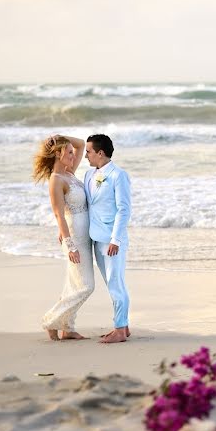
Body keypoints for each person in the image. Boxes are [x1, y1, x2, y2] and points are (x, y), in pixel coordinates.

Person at [34, 135, 93, 341]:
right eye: (67, 152)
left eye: (70, 152)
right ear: (58, 155)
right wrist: (70, 246)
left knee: (74, 283)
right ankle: (51, 320)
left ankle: (68, 328)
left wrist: (61, 138)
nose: (73, 155)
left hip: (85, 235)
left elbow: (80, 144)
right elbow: (59, 214)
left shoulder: (69, 172)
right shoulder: (56, 180)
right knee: (86, 285)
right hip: (74, 237)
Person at [84, 134, 132, 344]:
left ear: (100, 153)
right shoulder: (87, 175)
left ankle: (119, 329)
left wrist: (116, 240)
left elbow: (124, 209)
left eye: (88, 152)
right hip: (95, 237)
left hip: (112, 241)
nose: (85, 155)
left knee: (116, 283)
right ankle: (124, 326)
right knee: (110, 283)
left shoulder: (118, 175)